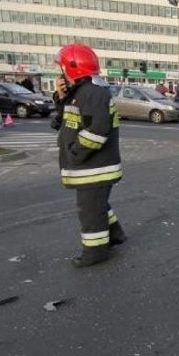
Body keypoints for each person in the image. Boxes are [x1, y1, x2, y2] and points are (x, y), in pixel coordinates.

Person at [55, 43, 126, 267]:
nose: (61, 74)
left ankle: (95, 253)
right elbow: (61, 122)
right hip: (91, 166)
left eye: (63, 69)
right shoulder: (79, 94)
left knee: (90, 212)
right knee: (97, 205)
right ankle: (115, 234)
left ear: (73, 69)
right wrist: (60, 97)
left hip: (94, 167)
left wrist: (76, 152)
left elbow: (99, 130)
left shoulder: (92, 95)